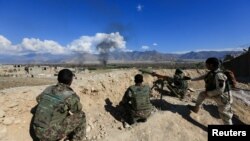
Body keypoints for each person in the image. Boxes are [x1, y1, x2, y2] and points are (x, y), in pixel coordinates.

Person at [32, 69, 86, 141]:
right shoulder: (69, 95)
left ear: (58, 79)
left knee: (63, 112)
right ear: (71, 81)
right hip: (48, 135)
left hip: (36, 131)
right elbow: (78, 110)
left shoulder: (48, 89)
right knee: (81, 115)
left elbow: (38, 99)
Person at [188, 57, 233, 125]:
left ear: (211, 65)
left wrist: (208, 93)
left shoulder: (219, 75)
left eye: (207, 64)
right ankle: (196, 108)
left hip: (223, 98)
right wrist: (191, 79)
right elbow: (202, 77)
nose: (206, 66)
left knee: (225, 116)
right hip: (216, 95)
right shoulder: (212, 72)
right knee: (201, 95)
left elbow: (220, 90)